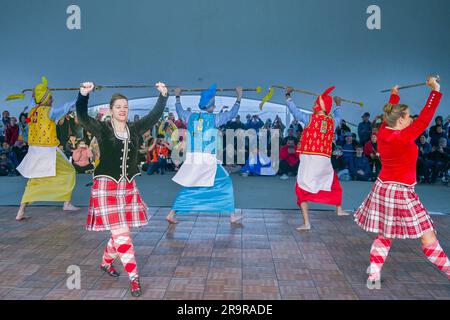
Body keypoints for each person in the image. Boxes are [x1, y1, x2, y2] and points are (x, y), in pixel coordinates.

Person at [77, 81, 168, 298]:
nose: (123, 110)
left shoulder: (134, 129)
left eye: (125, 107)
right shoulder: (102, 128)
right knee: (122, 232)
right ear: (111, 110)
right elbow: (81, 115)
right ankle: (134, 278)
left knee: (119, 230)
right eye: (118, 106)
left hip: (127, 186)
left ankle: (106, 262)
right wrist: (83, 95)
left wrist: (163, 96)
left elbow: (154, 116)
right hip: (105, 187)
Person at [355, 77, 450, 284]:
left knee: (384, 235)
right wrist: (435, 91)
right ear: (400, 121)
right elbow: (426, 118)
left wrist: (395, 94)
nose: (411, 120)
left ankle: (374, 275)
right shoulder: (403, 136)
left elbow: (390, 112)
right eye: (408, 117)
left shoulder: (381, 133)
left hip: (383, 189)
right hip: (402, 192)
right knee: (428, 236)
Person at [166, 85, 243, 224]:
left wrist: (177, 96)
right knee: (226, 182)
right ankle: (232, 217)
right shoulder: (215, 119)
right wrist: (239, 96)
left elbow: (179, 110)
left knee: (190, 186)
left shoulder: (190, 116)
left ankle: (172, 214)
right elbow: (232, 113)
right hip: (207, 159)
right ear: (212, 106)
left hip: (193, 158)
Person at [285, 86, 348, 231]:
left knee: (301, 189)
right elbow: (338, 117)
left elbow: (295, 111)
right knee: (332, 183)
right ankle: (339, 208)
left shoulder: (309, 119)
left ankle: (307, 223)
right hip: (323, 160)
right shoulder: (332, 123)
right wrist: (338, 104)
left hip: (308, 160)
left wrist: (288, 95)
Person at [16, 77, 79, 221]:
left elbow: (34, 99)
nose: (52, 100)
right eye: (50, 98)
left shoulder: (33, 108)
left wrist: (36, 92)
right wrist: (83, 95)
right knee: (70, 171)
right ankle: (66, 203)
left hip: (34, 151)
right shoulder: (50, 112)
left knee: (34, 180)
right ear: (44, 99)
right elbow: (67, 107)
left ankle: (21, 211)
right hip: (48, 150)